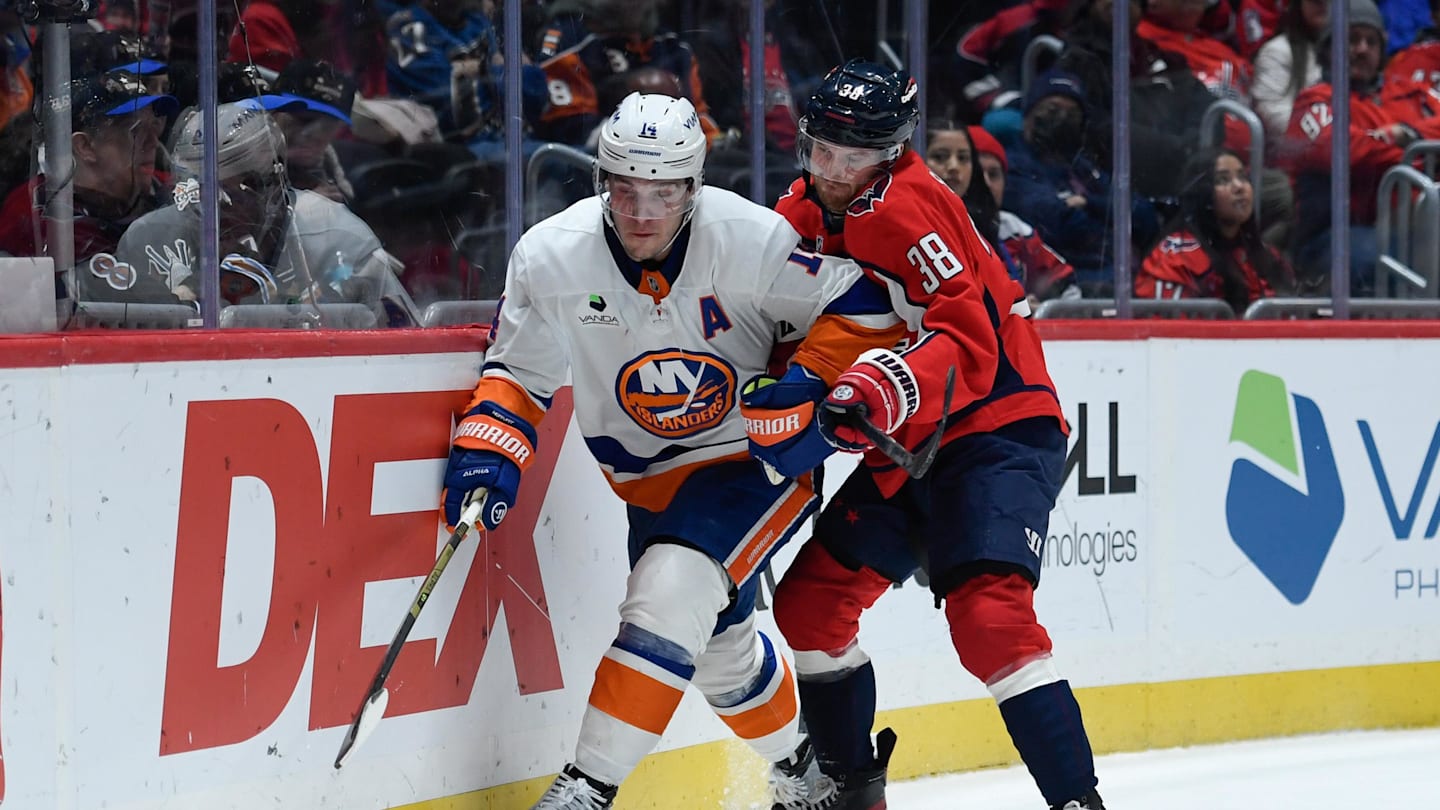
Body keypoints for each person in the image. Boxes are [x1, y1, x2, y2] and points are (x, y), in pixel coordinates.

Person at [439, 91, 905, 810]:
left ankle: (587, 788)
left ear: (693, 186)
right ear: (603, 182)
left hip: (754, 463)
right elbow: (518, 371)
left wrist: (806, 386)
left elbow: (866, 306)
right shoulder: (552, 257)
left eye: (663, 193)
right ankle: (805, 769)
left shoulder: (750, 239)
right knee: (722, 656)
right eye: (625, 190)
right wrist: (490, 444)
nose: (643, 212)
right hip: (649, 483)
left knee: (667, 593)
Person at [742, 59, 1105, 810]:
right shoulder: (801, 211)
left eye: (855, 158)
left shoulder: (905, 207)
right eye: (823, 153)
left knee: (989, 618)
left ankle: (1078, 803)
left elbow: (968, 342)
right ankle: (849, 791)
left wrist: (875, 386)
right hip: (910, 439)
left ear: (894, 151)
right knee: (810, 609)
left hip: (995, 423)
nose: (834, 173)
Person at [112, 101, 420, 324]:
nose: (211, 210)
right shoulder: (148, 241)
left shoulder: (342, 241)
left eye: (230, 192)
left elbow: (408, 351)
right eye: (198, 192)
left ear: (272, 184)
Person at [0, 71, 177, 302]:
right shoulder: (35, 216)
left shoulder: (165, 190)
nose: (153, 142)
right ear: (84, 146)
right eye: (135, 131)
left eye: (154, 127)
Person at [1136, 148, 1294, 312]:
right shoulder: (1176, 258)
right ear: (1202, 192)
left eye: (1242, 177)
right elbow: (1168, 330)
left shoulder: (1264, 255)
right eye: (1223, 180)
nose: (1239, 187)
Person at [966, 125, 1079, 303]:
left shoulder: (1014, 230)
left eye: (994, 174)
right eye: (978, 174)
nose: (986, 184)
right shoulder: (935, 230)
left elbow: (1064, 284)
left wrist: (1043, 312)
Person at [1252, 0, 1329, 143]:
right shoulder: (1277, 52)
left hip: (1352, 147)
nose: (1323, 3)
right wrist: (1328, 134)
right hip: (1296, 155)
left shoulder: (1356, 51)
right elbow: (1274, 115)